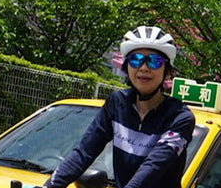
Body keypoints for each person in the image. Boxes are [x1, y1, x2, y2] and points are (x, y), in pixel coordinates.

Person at [43, 26, 196, 188]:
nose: (144, 68)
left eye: (154, 61)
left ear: (167, 71)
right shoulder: (116, 104)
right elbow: (83, 153)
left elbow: (152, 168)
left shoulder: (180, 117)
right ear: (126, 66)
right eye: (136, 59)